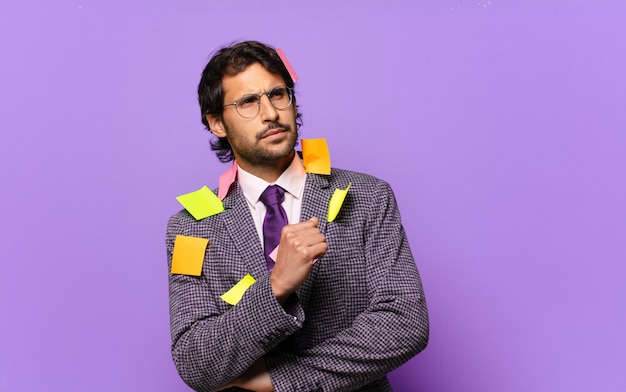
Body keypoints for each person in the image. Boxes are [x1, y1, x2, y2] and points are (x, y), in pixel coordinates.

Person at [166, 40, 429, 392]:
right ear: (217, 123)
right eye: (248, 102)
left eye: (278, 94)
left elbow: (405, 322)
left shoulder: (368, 197)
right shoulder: (191, 229)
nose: (271, 112)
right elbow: (196, 362)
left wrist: (281, 380)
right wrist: (275, 286)